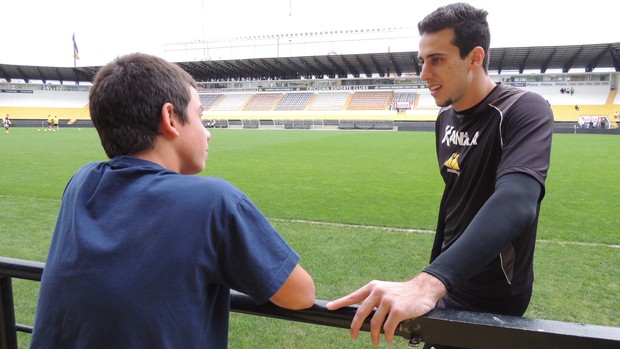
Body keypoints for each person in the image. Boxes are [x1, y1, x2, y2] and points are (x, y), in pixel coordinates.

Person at [31, 53, 315, 349]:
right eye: (200, 116)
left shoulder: (81, 181)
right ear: (170, 118)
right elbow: (301, 294)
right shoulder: (215, 201)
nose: (208, 134)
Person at [326, 3, 553, 348]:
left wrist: (429, 282)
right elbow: (453, 200)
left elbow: (517, 201)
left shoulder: (522, 109)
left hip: (494, 291)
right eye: (422, 61)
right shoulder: (444, 119)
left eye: (437, 60)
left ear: (475, 58)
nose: (423, 73)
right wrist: (435, 269)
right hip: (449, 279)